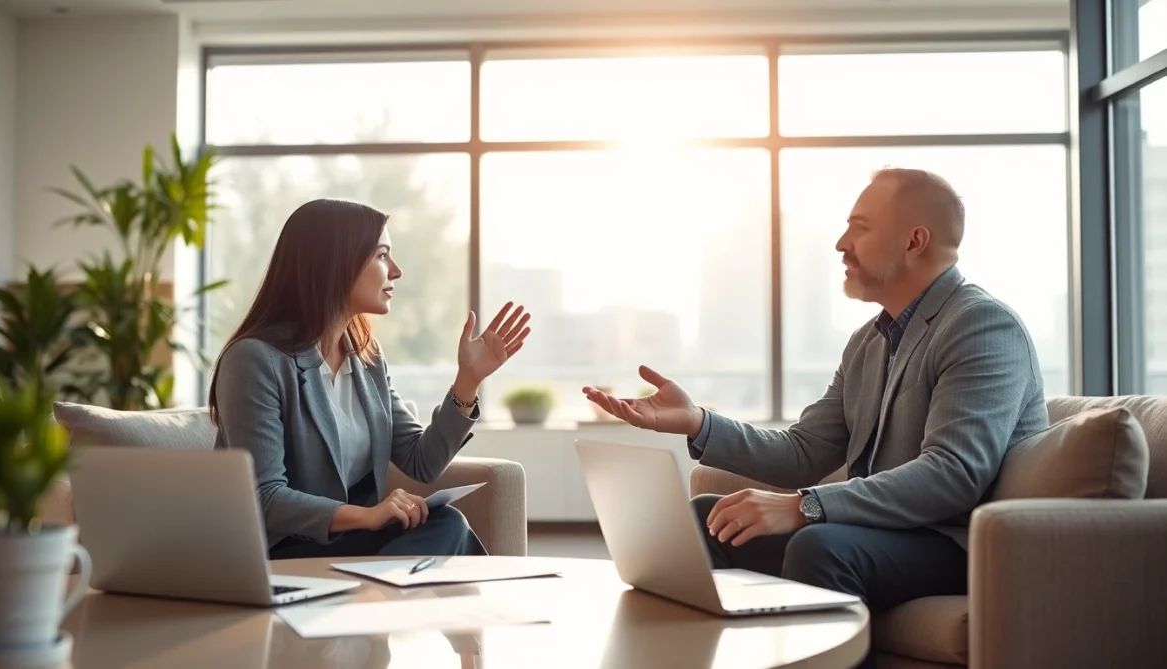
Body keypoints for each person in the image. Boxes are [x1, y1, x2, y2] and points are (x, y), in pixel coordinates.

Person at [583, 168, 1047, 669]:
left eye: (860, 228)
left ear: (915, 241)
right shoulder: (868, 342)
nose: (841, 244)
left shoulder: (981, 325)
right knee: (705, 523)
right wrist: (698, 421)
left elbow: (954, 474)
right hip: (884, 532)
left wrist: (805, 507)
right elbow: (804, 452)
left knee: (821, 547)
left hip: (954, 540)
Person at [209, 198, 531, 560]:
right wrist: (368, 516)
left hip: (347, 544)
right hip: (283, 548)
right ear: (335, 263)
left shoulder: (366, 357)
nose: (396, 271)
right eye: (382, 255)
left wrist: (468, 380)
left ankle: (382, 599)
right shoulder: (255, 360)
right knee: (448, 532)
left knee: (447, 523)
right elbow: (264, 496)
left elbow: (420, 461)